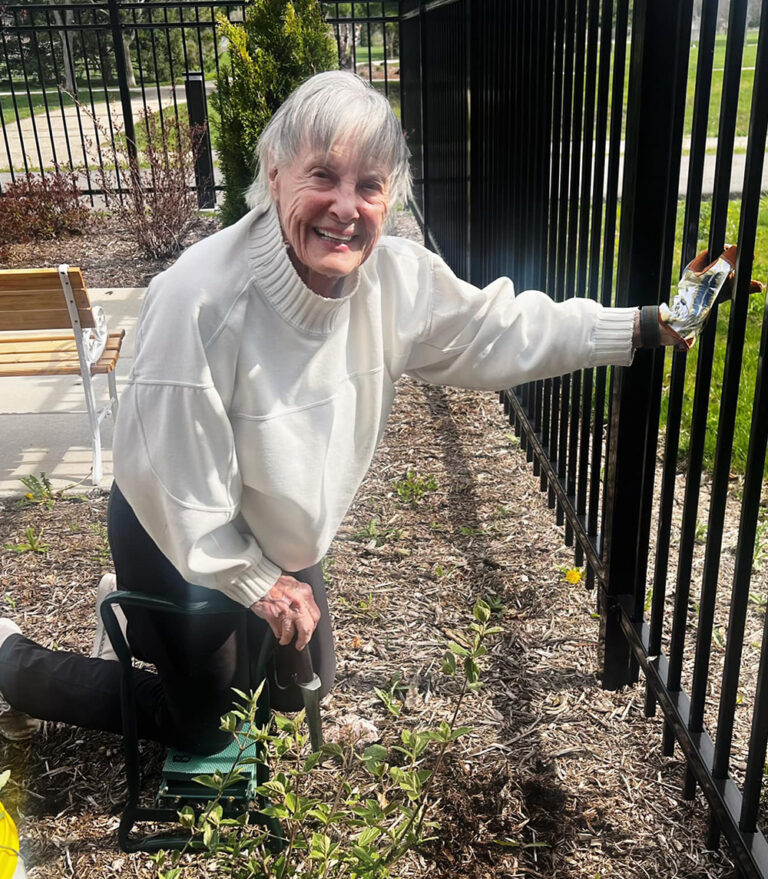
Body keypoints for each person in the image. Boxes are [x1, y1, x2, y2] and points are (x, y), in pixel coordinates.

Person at [0, 71, 708, 751]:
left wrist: (646, 324)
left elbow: (504, 329)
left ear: (389, 199)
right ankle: (15, 663)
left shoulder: (393, 282)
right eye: (323, 176)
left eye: (369, 185)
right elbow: (176, 481)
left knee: (300, 690)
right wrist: (251, 581)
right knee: (207, 723)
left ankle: (162, 626)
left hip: (275, 533)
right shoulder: (199, 300)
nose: (346, 206)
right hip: (175, 528)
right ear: (274, 174)